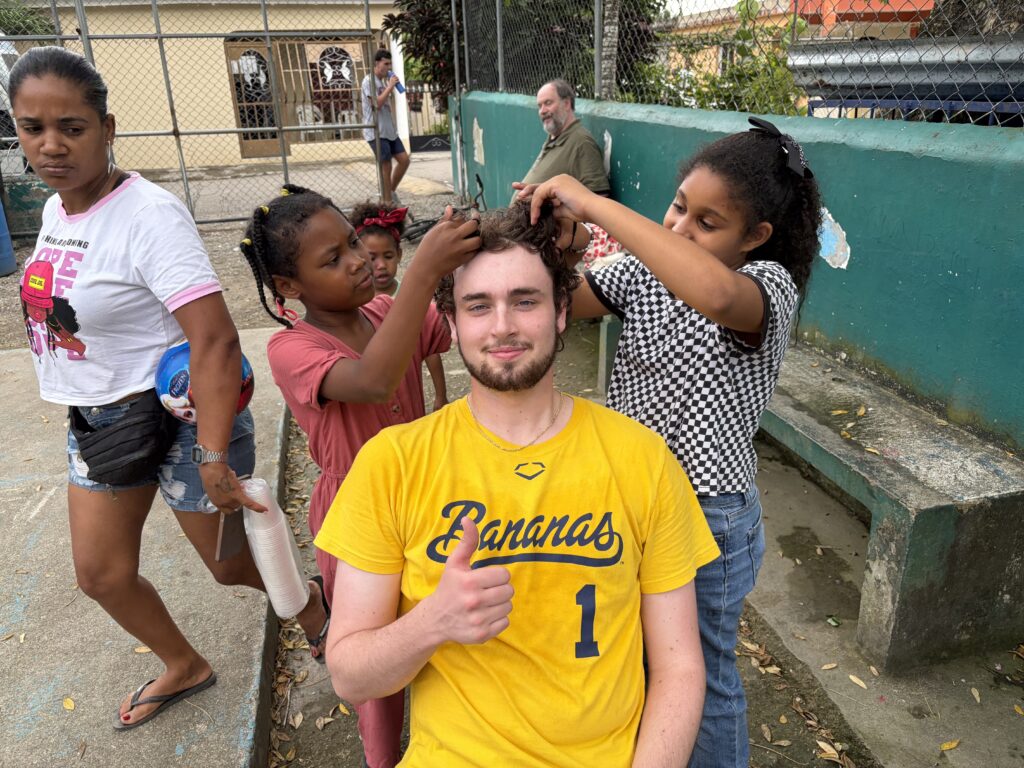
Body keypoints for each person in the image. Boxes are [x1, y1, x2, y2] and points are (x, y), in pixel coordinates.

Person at [315, 204, 720, 767]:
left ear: (560, 312)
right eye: (478, 306)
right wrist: (431, 623)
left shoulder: (642, 459)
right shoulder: (393, 462)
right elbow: (349, 676)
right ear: (453, 324)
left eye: (524, 301)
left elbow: (679, 667)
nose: (502, 326)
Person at [9, 46, 329, 730]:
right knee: (101, 575)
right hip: (102, 424)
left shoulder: (149, 216)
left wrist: (213, 453)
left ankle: (327, 616)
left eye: (71, 126)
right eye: (32, 127)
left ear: (108, 127)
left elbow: (215, 339)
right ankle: (185, 664)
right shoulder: (58, 213)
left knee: (233, 566)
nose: (51, 144)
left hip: (184, 423)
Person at [517, 117, 823, 768]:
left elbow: (711, 292)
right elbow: (564, 301)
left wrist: (595, 205)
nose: (680, 226)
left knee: (703, 675)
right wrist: (559, 248)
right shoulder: (643, 273)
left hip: (710, 516)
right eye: (679, 206)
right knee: (652, 659)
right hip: (634, 503)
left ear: (757, 237)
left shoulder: (764, 290)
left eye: (708, 223)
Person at [239, 185, 479, 768]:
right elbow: (372, 380)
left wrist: (468, 249)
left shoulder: (380, 312)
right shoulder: (291, 348)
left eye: (352, 244)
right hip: (355, 517)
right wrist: (419, 273)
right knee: (373, 660)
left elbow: (450, 322)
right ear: (288, 288)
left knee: (426, 630)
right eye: (333, 259)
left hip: (424, 502)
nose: (358, 261)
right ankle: (381, 758)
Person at [351, 200, 448, 411]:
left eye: (388, 256)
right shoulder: (352, 302)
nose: (381, 266)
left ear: (400, 255)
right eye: (371, 257)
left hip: (407, 392)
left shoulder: (410, 296)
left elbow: (430, 351)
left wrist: (441, 395)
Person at [520, 79, 610, 196]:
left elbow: (599, 197)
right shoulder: (554, 138)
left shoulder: (581, 142)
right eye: (539, 106)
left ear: (566, 104)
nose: (542, 111)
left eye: (548, 103)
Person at [361, 49, 409, 205]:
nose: (388, 67)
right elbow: (376, 104)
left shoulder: (382, 81)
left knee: (404, 160)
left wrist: (389, 86)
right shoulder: (368, 81)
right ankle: (387, 203)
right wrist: (390, 87)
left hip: (389, 131)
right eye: (385, 64)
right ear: (376, 63)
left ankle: (390, 193)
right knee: (386, 165)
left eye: (390, 64)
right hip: (376, 131)